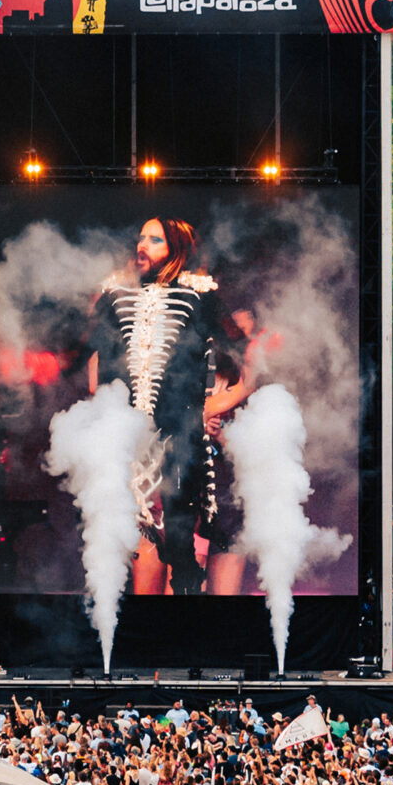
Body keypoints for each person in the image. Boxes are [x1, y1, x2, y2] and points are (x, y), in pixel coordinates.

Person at [87, 217, 261, 596]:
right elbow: (95, 355)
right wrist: (102, 413)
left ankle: (187, 625)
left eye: (154, 239)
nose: (141, 245)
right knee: (127, 543)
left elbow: (249, 354)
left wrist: (219, 401)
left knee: (182, 543)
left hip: (180, 439)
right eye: (140, 237)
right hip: (127, 441)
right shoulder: (115, 295)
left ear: (176, 249)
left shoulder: (199, 294)